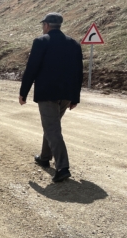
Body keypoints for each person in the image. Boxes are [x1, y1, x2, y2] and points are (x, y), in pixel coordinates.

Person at [19, 12, 83, 183]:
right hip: (66, 94)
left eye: (43, 25)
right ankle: (44, 158)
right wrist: (75, 97)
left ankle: (63, 167)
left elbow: (32, 68)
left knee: (52, 128)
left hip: (47, 93)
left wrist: (23, 92)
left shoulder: (41, 42)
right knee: (52, 126)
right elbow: (79, 72)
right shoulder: (74, 44)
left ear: (46, 25)